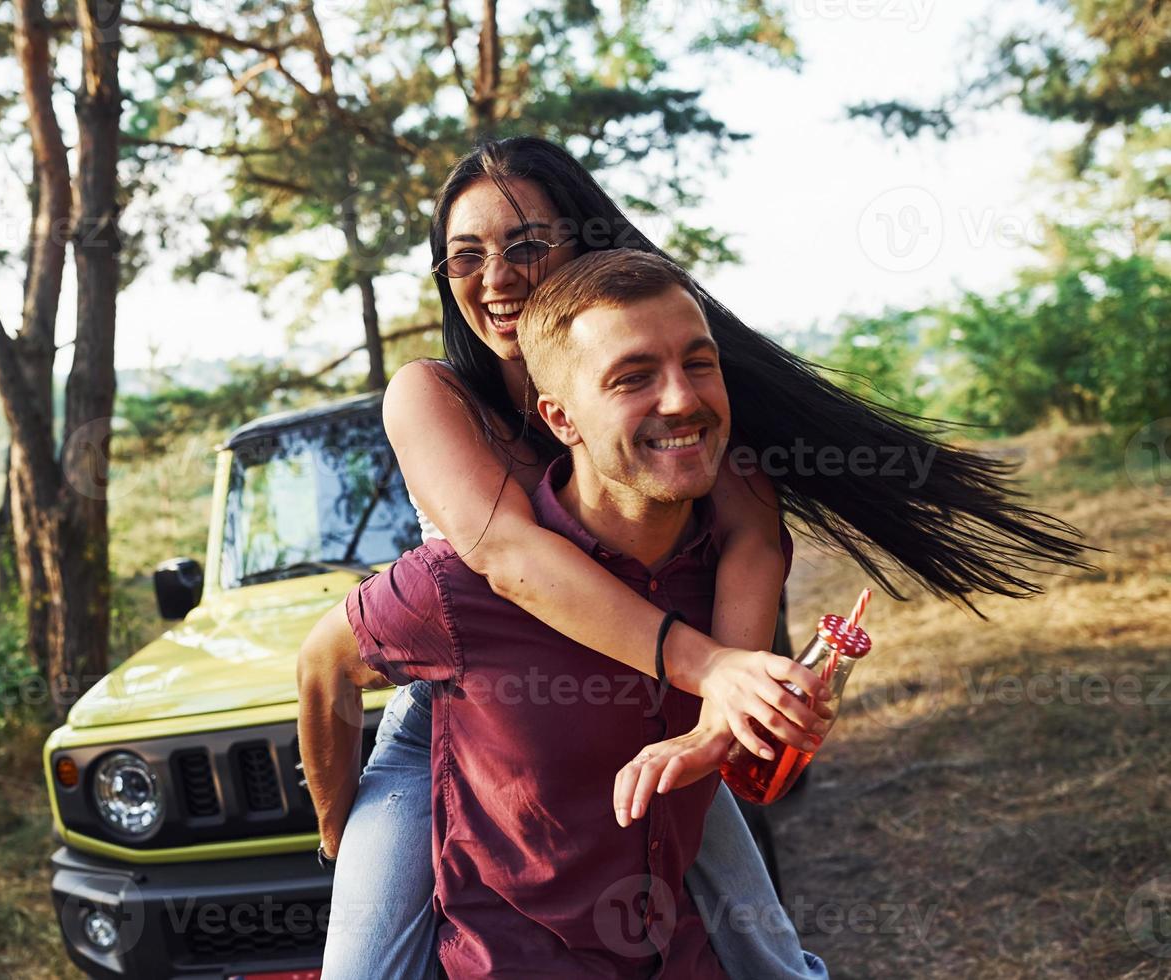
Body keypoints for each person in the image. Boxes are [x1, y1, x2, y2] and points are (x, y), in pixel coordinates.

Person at [299, 136, 1085, 978]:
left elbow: (751, 534)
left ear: (583, 243)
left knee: (769, 957)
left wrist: (724, 712)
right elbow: (505, 555)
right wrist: (340, 827)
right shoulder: (434, 395)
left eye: (526, 244)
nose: (494, 278)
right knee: (364, 965)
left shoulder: (672, 377)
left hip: (648, 698)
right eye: (464, 256)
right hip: (471, 717)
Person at [305, 248, 769, 977]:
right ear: (560, 417)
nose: (679, 398)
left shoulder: (725, 549)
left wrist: (761, 714)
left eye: (698, 365)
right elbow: (323, 662)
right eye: (634, 377)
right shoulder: (456, 582)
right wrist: (335, 827)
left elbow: (752, 743)